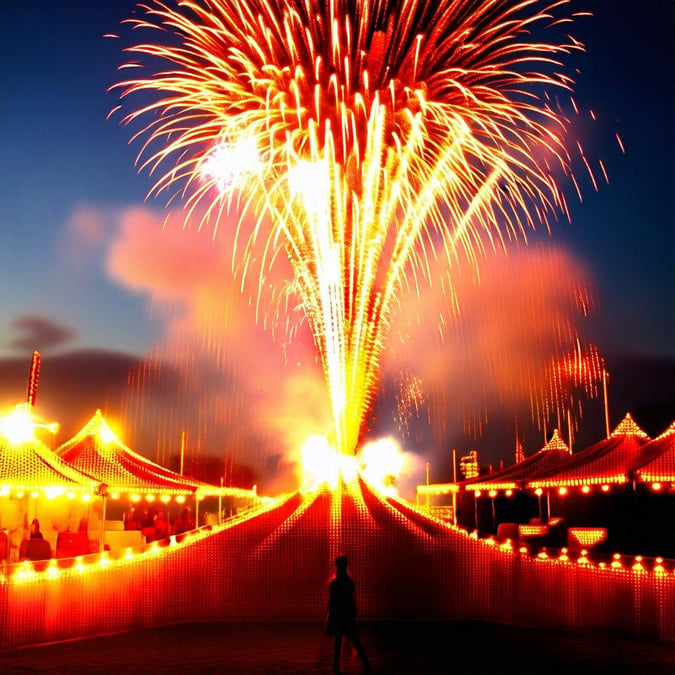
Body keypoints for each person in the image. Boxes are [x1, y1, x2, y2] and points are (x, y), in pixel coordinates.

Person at [326, 555, 370, 674]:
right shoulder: (349, 582)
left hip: (339, 616)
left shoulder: (335, 583)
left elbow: (332, 602)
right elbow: (350, 601)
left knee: (339, 641)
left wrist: (330, 617)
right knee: (353, 640)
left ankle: (336, 667)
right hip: (347, 615)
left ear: (337, 566)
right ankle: (366, 663)